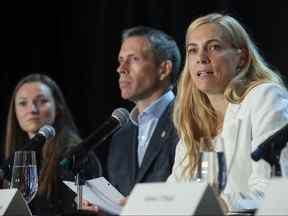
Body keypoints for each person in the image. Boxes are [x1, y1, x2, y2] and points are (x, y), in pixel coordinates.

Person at [167, 13, 288, 212]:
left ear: (242, 58)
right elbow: (175, 192)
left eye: (214, 47)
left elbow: (275, 190)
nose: (201, 58)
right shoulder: (194, 121)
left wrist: (220, 204)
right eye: (192, 50)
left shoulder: (265, 97)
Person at [2, 73, 101, 216]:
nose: (32, 110)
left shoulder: (74, 155)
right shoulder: (15, 158)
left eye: (41, 101)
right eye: (23, 103)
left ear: (58, 107)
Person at [104, 26, 181, 197]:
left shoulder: (186, 122)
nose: (121, 68)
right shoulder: (120, 135)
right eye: (120, 60)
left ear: (164, 69)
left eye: (134, 59)